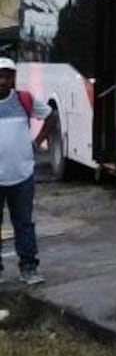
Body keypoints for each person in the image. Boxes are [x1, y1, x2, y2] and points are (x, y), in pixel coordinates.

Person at [0, 58, 56, 285]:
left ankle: (29, 268)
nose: (2, 80)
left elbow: (51, 116)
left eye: (7, 75)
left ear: (13, 78)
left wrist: (37, 142)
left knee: (23, 223)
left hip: (22, 175)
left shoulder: (25, 100)